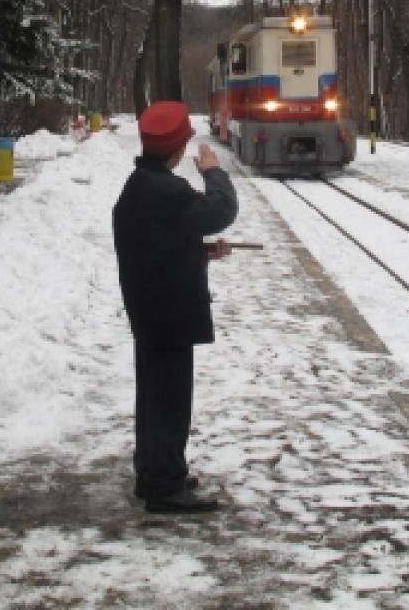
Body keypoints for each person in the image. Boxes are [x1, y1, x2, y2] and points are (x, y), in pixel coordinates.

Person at [112, 100, 238, 514]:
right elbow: (221, 211)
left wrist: (198, 252)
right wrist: (214, 172)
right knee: (169, 399)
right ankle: (165, 486)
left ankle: (155, 471)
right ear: (177, 149)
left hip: (150, 308)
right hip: (168, 311)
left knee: (153, 395)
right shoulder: (168, 190)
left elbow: (155, 243)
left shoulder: (138, 186)